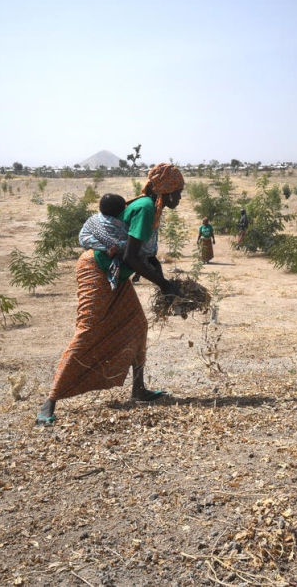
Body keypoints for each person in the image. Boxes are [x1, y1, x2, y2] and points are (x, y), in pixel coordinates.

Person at [36, 163, 185, 426]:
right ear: (167, 190)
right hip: (97, 269)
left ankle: (138, 389)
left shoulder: (148, 206)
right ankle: (50, 400)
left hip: (114, 274)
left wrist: (162, 279)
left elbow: (140, 255)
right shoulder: (146, 208)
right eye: (179, 191)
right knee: (88, 329)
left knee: (137, 324)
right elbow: (131, 255)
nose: (180, 197)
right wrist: (164, 285)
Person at [79, 194, 128, 289]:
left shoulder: (94, 219)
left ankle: (105, 249)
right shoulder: (120, 224)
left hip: (87, 261)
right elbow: (130, 242)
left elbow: (83, 236)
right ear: (120, 211)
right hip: (101, 266)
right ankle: (107, 250)